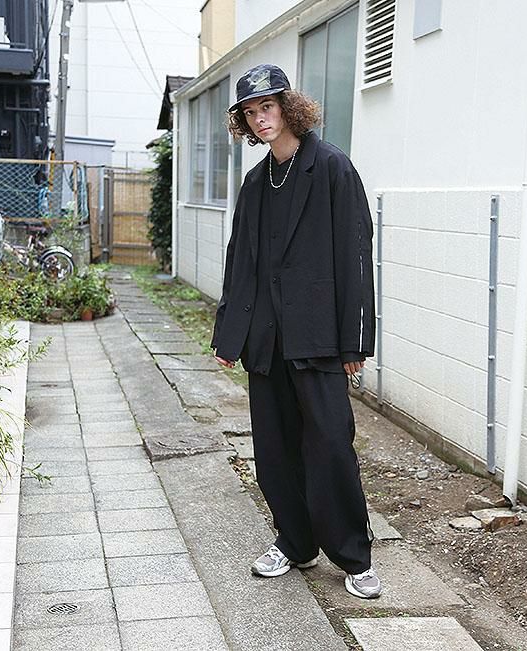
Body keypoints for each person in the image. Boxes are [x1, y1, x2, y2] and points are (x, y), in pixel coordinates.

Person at [211, 64, 381, 599]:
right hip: (267, 340)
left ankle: (354, 556)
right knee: (274, 451)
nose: (260, 119)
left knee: (330, 445)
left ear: (288, 107)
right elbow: (241, 261)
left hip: (319, 337)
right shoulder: (256, 183)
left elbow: (355, 255)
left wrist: (355, 340)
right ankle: (295, 542)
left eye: (268, 107)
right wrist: (229, 334)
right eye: (250, 112)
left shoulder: (331, 167)